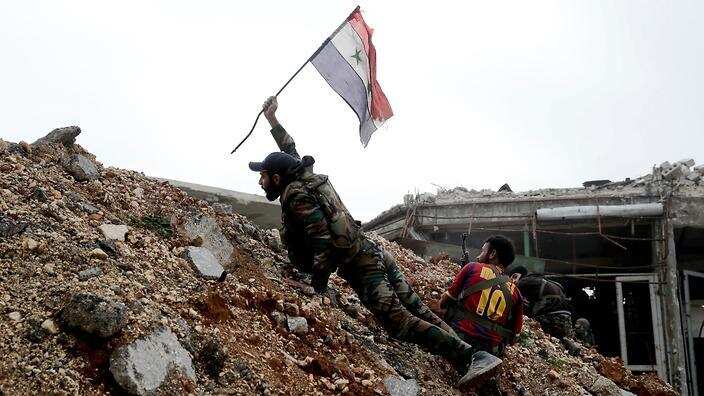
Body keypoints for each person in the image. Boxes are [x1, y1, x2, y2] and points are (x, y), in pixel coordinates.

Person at [249, 96, 499, 387]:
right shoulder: (305, 176)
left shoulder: (294, 193)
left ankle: (472, 359)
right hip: (373, 249)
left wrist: (316, 286)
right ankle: (477, 359)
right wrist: (273, 120)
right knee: (417, 309)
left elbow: (321, 240)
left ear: (277, 178)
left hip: (363, 264)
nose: (260, 181)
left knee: (398, 321)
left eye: (263, 176)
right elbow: (290, 151)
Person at [439, 236, 524, 358]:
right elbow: (514, 336)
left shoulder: (472, 267)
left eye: (482, 251)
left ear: (492, 254)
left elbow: (444, 302)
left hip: (460, 338)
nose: (478, 256)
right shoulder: (516, 292)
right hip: (490, 351)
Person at [508, 266, 574, 339]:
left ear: (515, 275)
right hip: (567, 320)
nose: (512, 282)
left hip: (551, 319)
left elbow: (510, 298)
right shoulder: (547, 282)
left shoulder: (524, 281)